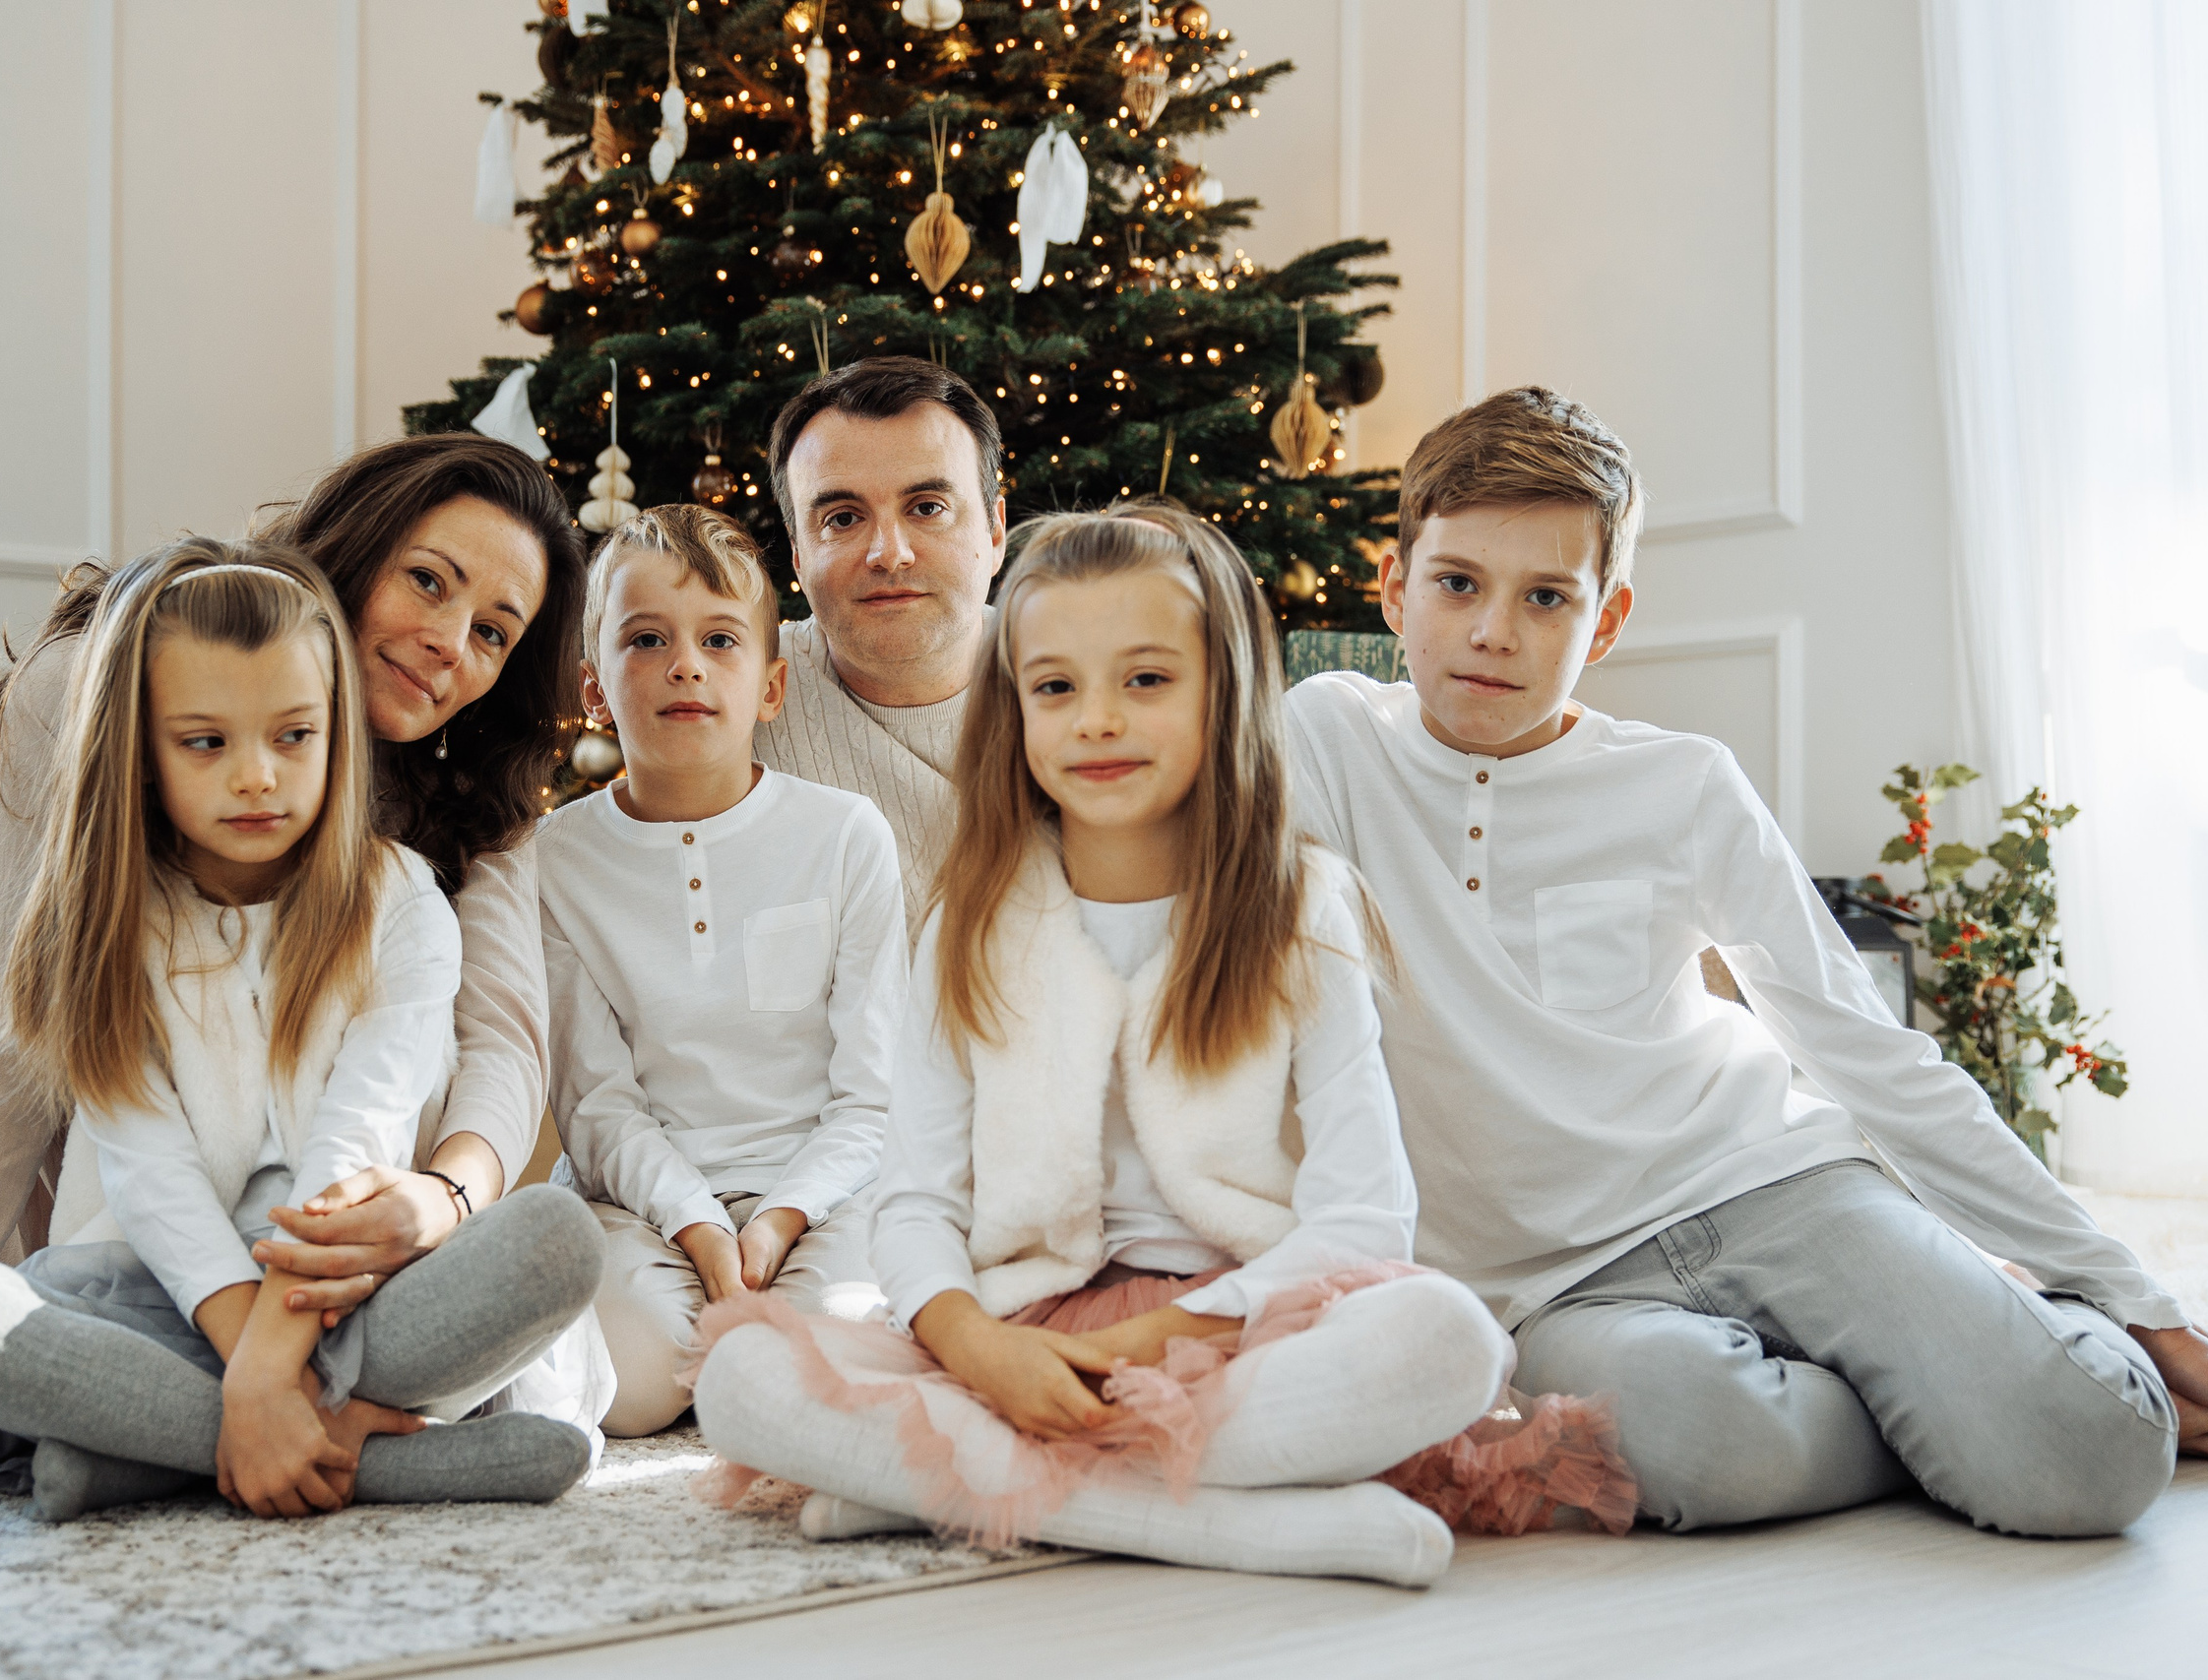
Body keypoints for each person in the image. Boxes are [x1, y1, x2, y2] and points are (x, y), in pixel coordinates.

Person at [1284, 385, 2208, 1536]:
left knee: (2097, 1455)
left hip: (1770, 1187)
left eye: (1546, 597)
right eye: (1457, 584)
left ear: (1603, 623)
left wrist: (2139, 1308)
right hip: (1555, 1287)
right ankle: (1932, 1389)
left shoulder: (1683, 783)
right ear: (1394, 588)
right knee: (1705, 1446)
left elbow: (1865, 1050)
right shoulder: (1325, 742)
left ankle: (2022, 1335)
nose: (1493, 631)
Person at [689, 505, 1615, 1589]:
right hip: (1014, 1342)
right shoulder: (972, 920)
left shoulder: (1301, 906)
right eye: (1054, 688)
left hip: (1236, 1332)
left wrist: (1148, 1345)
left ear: (1220, 694)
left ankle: (951, 1490)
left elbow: (1366, 1217)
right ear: (1015, 711)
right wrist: (983, 1349)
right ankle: (1227, 1526)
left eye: (1144, 681)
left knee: (1448, 1339)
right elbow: (915, 1202)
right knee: (743, 1374)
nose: (1095, 722)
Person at [0, 435, 594, 1461]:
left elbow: (498, 1043)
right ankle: (342, 1445)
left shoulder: (458, 807)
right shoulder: (92, 687)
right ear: (356, 549)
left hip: (354, 1244)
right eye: (426, 581)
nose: (450, 643)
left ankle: (155, 1442)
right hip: (149, 1243)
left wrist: (440, 1198)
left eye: (495, 633)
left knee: (551, 1249)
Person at [540, 506, 906, 1436]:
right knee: (626, 1387)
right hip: (643, 1199)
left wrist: (781, 1217)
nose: (686, 665)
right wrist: (699, 1225)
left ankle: (752, 1354)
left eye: (718, 640)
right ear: (593, 687)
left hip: (821, 1192)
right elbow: (596, 1105)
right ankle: (701, 1347)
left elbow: (873, 1095)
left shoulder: (845, 834)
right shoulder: (556, 859)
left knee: (822, 1373)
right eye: (646, 639)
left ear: (772, 685)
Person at [755, 356, 1009, 928]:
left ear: (994, 533)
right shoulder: (733, 688)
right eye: (842, 519)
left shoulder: (1085, 686)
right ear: (798, 556)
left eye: (927, 508)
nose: (889, 553)